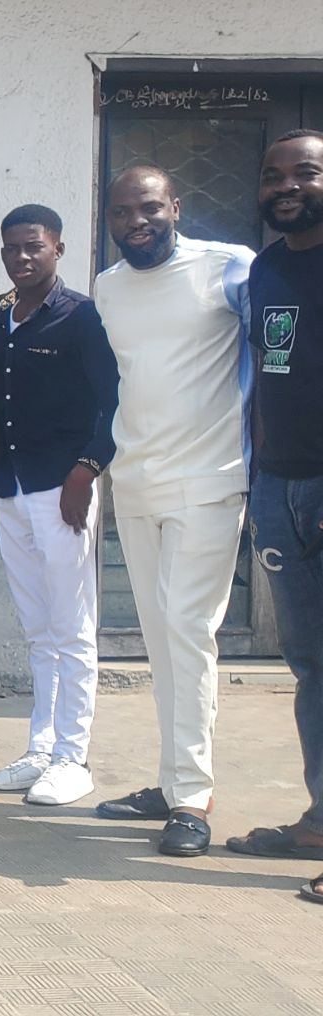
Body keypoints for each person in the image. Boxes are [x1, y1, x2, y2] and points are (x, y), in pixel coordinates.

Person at [90, 166, 253, 856]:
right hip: (137, 482)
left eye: (150, 207)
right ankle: (171, 777)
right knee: (161, 638)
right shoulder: (107, 287)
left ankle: (191, 797)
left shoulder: (230, 269)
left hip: (210, 482)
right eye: (123, 211)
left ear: (176, 206)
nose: (137, 222)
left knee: (188, 630)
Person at [0, 205, 119, 807]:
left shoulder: (83, 317)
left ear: (58, 248)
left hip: (62, 490)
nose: (22, 257)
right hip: (13, 489)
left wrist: (88, 468)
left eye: (33, 246)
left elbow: (112, 400)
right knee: (38, 630)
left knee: (72, 628)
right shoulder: (3, 318)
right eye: (12, 248)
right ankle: (41, 747)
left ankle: (73, 757)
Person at [223, 130, 323, 903]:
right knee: (310, 664)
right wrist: (261, 481)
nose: (286, 185)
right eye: (273, 174)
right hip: (281, 485)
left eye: (306, 172)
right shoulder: (267, 267)